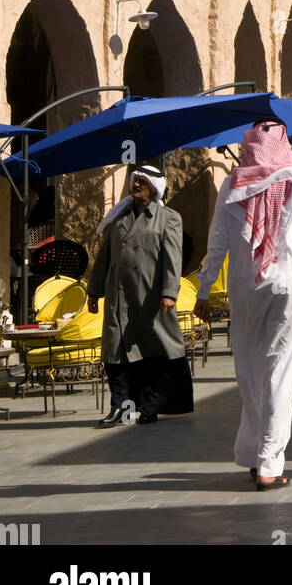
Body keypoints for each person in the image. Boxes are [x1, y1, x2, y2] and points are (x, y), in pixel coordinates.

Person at [195, 122, 292, 489]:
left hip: (246, 287)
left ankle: (257, 455)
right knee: (279, 373)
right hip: (290, 286)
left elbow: (218, 241)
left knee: (250, 371)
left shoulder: (233, 182)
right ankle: (268, 461)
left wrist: (204, 289)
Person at [87, 165, 192, 427]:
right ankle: (119, 408)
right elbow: (103, 259)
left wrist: (169, 292)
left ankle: (149, 407)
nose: (135, 187)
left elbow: (173, 259)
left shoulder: (168, 218)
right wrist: (94, 291)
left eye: (142, 184)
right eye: (134, 183)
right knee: (115, 354)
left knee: (151, 352)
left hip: (150, 298)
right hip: (118, 298)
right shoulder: (117, 218)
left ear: (154, 188)